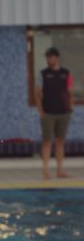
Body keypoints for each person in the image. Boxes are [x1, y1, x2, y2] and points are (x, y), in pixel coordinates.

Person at [35, 47, 74, 180]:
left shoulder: (66, 73)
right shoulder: (43, 74)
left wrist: (70, 107)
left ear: (57, 58)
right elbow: (37, 93)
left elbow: (70, 91)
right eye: (47, 57)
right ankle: (46, 170)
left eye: (51, 57)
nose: (49, 59)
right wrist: (41, 111)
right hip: (48, 113)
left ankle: (60, 170)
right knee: (47, 141)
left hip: (63, 113)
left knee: (60, 141)